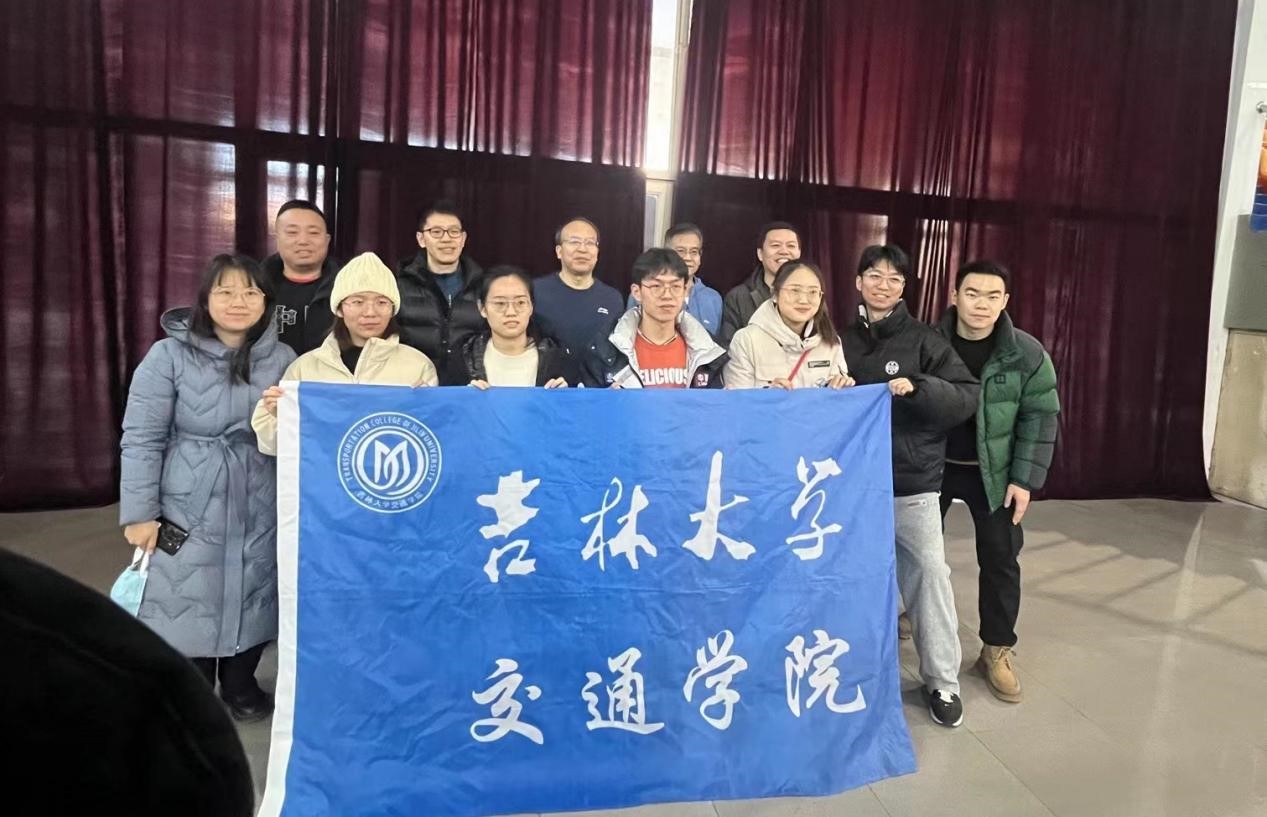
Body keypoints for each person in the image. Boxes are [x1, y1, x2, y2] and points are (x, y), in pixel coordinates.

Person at [119, 254, 296, 722]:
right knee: (184, 589)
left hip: (260, 487)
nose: (239, 301)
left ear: (266, 302)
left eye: (251, 292)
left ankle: (240, 683)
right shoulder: (167, 355)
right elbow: (141, 436)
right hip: (187, 493)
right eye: (226, 291)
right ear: (205, 299)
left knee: (256, 584)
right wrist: (139, 513)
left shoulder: (284, 358)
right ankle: (192, 687)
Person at [0, 548, 255, 816]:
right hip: (184, 551)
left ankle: (239, 687)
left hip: (253, 549)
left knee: (249, 621)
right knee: (189, 625)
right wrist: (137, 522)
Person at [842, 244, 978, 728]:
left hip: (911, 484)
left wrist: (920, 389)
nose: (883, 285)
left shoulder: (926, 341)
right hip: (850, 488)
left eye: (894, 279)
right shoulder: (838, 339)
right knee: (848, 582)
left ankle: (942, 681)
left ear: (904, 288)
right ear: (858, 282)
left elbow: (966, 396)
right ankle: (851, 675)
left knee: (930, 576)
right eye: (874, 276)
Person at [935, 260, 1060, 703]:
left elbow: (1040, 416)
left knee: (1001, 557)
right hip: (933, 467)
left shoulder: (1025, 353)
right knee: (914, 552)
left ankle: (996, 648)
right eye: (972, 293)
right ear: (954, 296)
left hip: (994, 473)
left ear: (1005, 301)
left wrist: (1024, 479)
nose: (981, 304)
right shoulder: (929, 343)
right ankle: (911, 613)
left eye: (993, 296)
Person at [253, 253, 439, 454]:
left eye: (382, 302)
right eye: (358, 302)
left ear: (393, 309)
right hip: (326, 474)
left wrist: (429, 409)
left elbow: (433, 439)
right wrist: (277, 415)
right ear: (339, 309)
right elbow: (279, 449)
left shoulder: (417, 366)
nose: (370, 312)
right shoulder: (305, 368)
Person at [580, 248, 726, 388]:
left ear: (684, 291)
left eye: (675, 287)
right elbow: (587, 402)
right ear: (637, 292)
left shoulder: (707, 350)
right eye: (656, 286)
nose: (667, 295)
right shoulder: (605, 349)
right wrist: (610, 399)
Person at [724, 259, 853, 389]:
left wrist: (841, 384)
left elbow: (838, 397)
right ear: (775, 294)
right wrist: (767, 394)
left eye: (813, 292)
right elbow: (737, 398)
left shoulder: (830, 341)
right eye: (794, 291)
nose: (803, 300)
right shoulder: (747, 340)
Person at [443, 265, 572, 388]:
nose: (511, 312)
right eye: (500, 303)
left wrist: (565, 395)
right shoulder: (463, 356)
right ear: (482, 308)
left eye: (520, 302)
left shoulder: (556, 358)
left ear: (531, 306)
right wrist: (464, 396)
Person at [396, 200, 485, 371]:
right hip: (415, 380)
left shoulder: (483, 285)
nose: (446, 239)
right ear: (421, 239)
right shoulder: (400, 285)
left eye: (454, 232)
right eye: (436, 232)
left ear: (463, 239)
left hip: (468, 382)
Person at [532, 217, 625, 356]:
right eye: (574, 242)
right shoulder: (535, 292)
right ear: (559, 251)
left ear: (597, 252)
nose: (582, 249)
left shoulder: (613, 298)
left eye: (590, 243)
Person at [264, 199, 339, 354]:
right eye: (292, 232)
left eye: (313, 233)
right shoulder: (256, 287)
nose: (303, 241)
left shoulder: (347, 288)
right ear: (277, 239)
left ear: (327, 241)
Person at [625, 223, 723, 336]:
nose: (688, 258)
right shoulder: (644, 292)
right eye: (680, 251)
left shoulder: (713, 298)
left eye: (694, 252)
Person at [718, 221, 802, 346]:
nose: (784, 251)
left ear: (799, 253)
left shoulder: (812, 294)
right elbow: (730, 347)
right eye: (775, 245)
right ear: (760, 254)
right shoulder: (738, 297)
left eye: (791, 246)